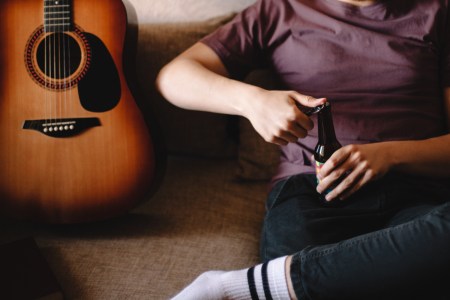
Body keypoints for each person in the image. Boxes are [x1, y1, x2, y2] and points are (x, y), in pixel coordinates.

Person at [156, 0, 450, 298]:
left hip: (416, 197)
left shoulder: (438, 12)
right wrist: (252, 101)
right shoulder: (280, 10)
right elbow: (173, 77)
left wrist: (389, 155)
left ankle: (246, 288)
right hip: (312, 194)